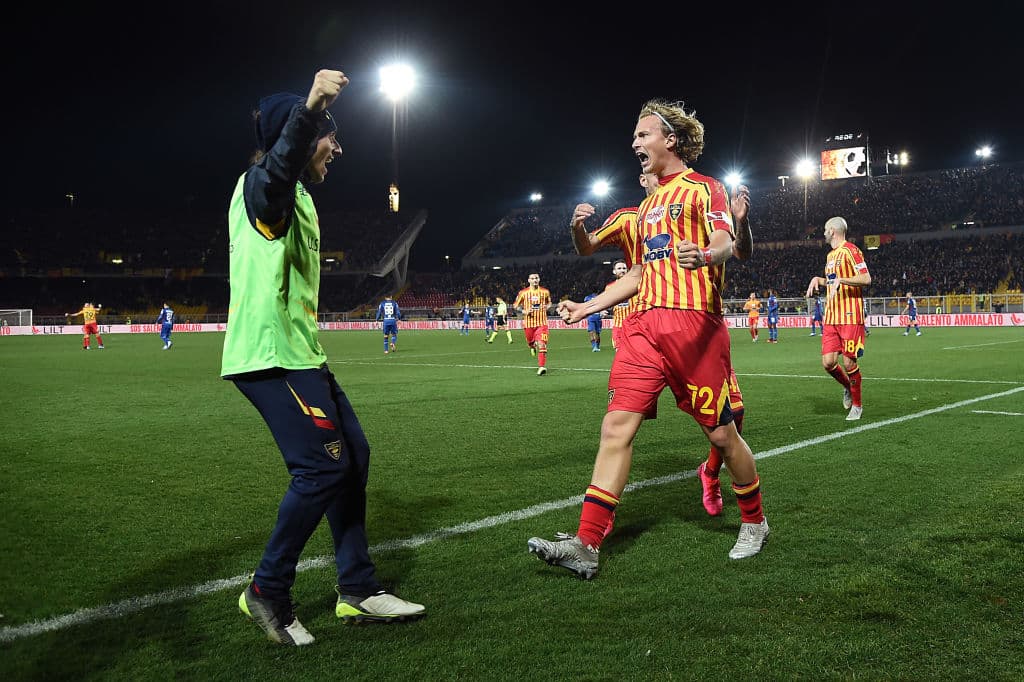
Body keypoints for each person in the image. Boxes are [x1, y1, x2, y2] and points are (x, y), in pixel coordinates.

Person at [221, 69, 424, 646]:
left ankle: (356, 589)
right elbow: (274, 177)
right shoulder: (264, 184)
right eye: (328, 136)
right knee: (320, 467)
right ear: (300, 133)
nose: (338, 147)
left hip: (300, 353)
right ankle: (267, 589)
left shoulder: (303, 197)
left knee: (353, 456)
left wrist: (310, 120)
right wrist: (310, 108)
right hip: (267, 356)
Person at [528, 99, 768, 579]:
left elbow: (726, 242)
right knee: (616, 427)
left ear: (670, 140)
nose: (635, 143)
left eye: (643, 135)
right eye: (635, 137)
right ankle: (587, 543)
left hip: (694, 325)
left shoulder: (706, 189)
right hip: (641, 331)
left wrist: (703, 255)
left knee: (722, 434)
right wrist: (590, 304)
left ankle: (755, 522)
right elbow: (639, 271)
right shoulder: (647, 207)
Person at [805, 216, 872, 421]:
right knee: (828, 363)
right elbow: (833, 282)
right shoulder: (830, 256)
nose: (823, 232)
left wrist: (842, 280)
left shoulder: (851, 250)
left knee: (849, 362)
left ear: (833, 230)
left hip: (850, 315)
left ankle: (858, 406)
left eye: (825, 229)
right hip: (832, 316)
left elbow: (866, 278)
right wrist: (819, 280)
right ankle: (847, 387)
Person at [513, 273, 553, 375]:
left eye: (536, 278)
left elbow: (549, 303)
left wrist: (547, 307)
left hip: (542, 323)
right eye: (532, 278)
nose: (535, 280)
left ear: (539, 280)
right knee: (531, 343)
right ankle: (532, 346)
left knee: (542, 343)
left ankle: (541, 367)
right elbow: (515, 306)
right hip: (529, 324)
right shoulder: (523, 293)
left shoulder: (545, 291)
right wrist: (524, 311)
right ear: (529, 280)